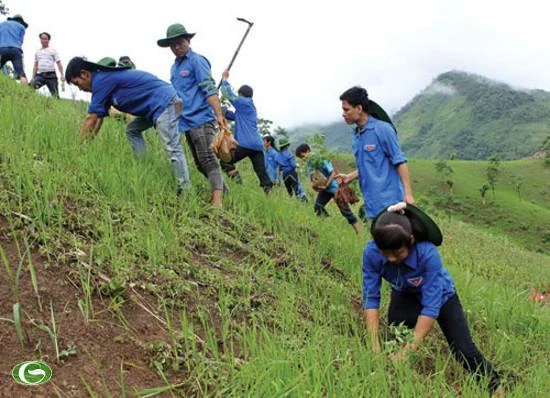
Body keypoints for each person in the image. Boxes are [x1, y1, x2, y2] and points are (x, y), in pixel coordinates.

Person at [362, 207, 504, 397]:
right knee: (395, 339)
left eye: (398, 253)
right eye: (385, 253)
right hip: (404, 293)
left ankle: (496, 388)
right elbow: (371, 297)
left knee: (463, 350)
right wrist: (374, 344)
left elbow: (431, 307)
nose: (391, 259)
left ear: (411, 241)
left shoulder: (427, 254)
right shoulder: (371, 253)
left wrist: (409, 351)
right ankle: (393, 385)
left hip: (442, 297)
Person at [65, 56, 191, 195]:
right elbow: (99, 118)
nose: (80, 89)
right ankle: (143, 165)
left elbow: (90, 118)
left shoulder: (101, 80)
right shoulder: (103, 83)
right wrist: (88, 142)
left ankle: (184, 189)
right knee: (132, 130)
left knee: (171, 146)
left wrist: (76, 149)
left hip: (165, 103)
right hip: (153, 108)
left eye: (77, 83)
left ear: (85, 74)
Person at [157, 23, 226, 207]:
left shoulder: (197, 61)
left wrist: (219, 115)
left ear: (188, 40)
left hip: (201, 119)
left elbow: (209, 88)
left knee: (208, 159)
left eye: (180, 43)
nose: (176, 48)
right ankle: (224, 193)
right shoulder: (174, 67)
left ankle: (217, 204)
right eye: (173, 45)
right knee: (199, 164)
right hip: (185, 121)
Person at [337, 86, 414, 220]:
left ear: (359, 109)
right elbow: (371, 164)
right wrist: (350, 177)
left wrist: (408, 194)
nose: (343, 114)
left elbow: (400, 161)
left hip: (390, 203)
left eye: (346, 110)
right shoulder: (357, 134)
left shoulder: (383, 129)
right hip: (371, 204)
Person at [219, 69, 273, 193]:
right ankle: (268, 192)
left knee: (225, 162)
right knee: (261, 172)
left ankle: (238, 183)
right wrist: (221, 110)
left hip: (244, 144)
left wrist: (225, 79)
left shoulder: (245, 102)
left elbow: (229, 94)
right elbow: (233, 116)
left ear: (241, 94)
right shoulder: (246, 109)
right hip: (257, 146)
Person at [295, 143, 360, 235]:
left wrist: (326, 184)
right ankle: (331, 226)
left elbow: (333, 172)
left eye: (303, 156)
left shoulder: (320, 158)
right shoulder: (310, 164)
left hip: (334, 188)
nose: (303, 158)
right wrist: (315, 186)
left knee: (345, 211)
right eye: (301, 158)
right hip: (325, 190)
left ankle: (359, 233)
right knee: (318, 207)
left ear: (308, 151)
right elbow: (314, 178)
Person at [30, 32, 64, 97]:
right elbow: (35, 65)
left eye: (45, 39)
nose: (44, 40)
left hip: (51, 75)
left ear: (48, 40)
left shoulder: (53, 51)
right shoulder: (38, 52)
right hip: (40, 75)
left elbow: (58, 63)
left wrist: (62, 75)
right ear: (40, 40)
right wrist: (33, 77)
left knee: (55, 95)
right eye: (42, 39)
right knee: (30, 87)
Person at [0, 14, 29, 84]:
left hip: (2, 49)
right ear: (21, 21)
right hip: (16, 50)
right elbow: (21, 41)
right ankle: (26, 91)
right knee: (21, 73)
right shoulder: (22, 27)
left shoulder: (2, 24)